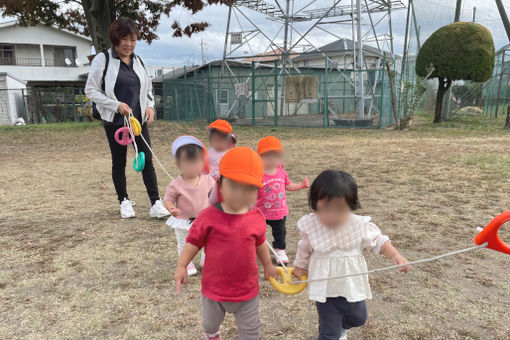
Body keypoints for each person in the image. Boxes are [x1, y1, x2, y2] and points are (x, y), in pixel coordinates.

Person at [293, 170, 412, 340]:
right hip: (326, 291)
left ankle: (343, 329)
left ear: (351, 206)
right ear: (314, 205)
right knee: (329, 333)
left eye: (340, 210)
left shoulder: (358, 226)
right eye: (325, 209)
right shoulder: (312, 227)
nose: (332, 216)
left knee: (359, 318)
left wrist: (395, 255)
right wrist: (299, 266)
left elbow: (378, 240)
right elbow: (303, 248)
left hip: (352, 285)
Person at [174, 147, 278, 340]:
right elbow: (193, 243)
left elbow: (261, 244)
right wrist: (181, 265)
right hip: (214, 290)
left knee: (251, 331)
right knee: (209, 324)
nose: (240, 193)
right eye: (234, 185)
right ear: (220, 184)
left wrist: (268, 265)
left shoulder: (256, 218)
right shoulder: (208, 217)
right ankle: (214, 335)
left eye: (249, 188)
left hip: (247, 291)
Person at [85, 18, 169, 219]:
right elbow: (91, 89)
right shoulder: (103, 59)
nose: (128, 44)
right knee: (119, 161)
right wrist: (117, 105)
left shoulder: (139, 61)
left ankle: (155, 202)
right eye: (124, 38)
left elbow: (148, 88)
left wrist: (150, 107)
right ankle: (124, 201)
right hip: (115, 121)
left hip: (137, 121)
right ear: (115, 39)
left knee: (146, 159)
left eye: (132, 39)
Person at [164, 136, 215, 276]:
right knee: (184, 243)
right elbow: (168, 200)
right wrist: (171, 208)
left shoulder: (207, 180)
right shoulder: (176, 185)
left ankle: (207, 261)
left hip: (204, 221)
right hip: (184, 221)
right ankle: (186, 263)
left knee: (207, 242)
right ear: (179, 164)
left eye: (196, 162)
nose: (192, 167)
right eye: (188, 163)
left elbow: (216, 193)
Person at [256, 136, 309, 265]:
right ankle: (255, 250)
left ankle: (279, 250)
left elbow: (287, 185)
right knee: (257, 232)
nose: (272, 159)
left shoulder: (281, 172)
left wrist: (300, 186)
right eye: (267, 156)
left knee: (280, 232)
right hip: (261, 211)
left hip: (279, 212)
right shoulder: (258, 173)